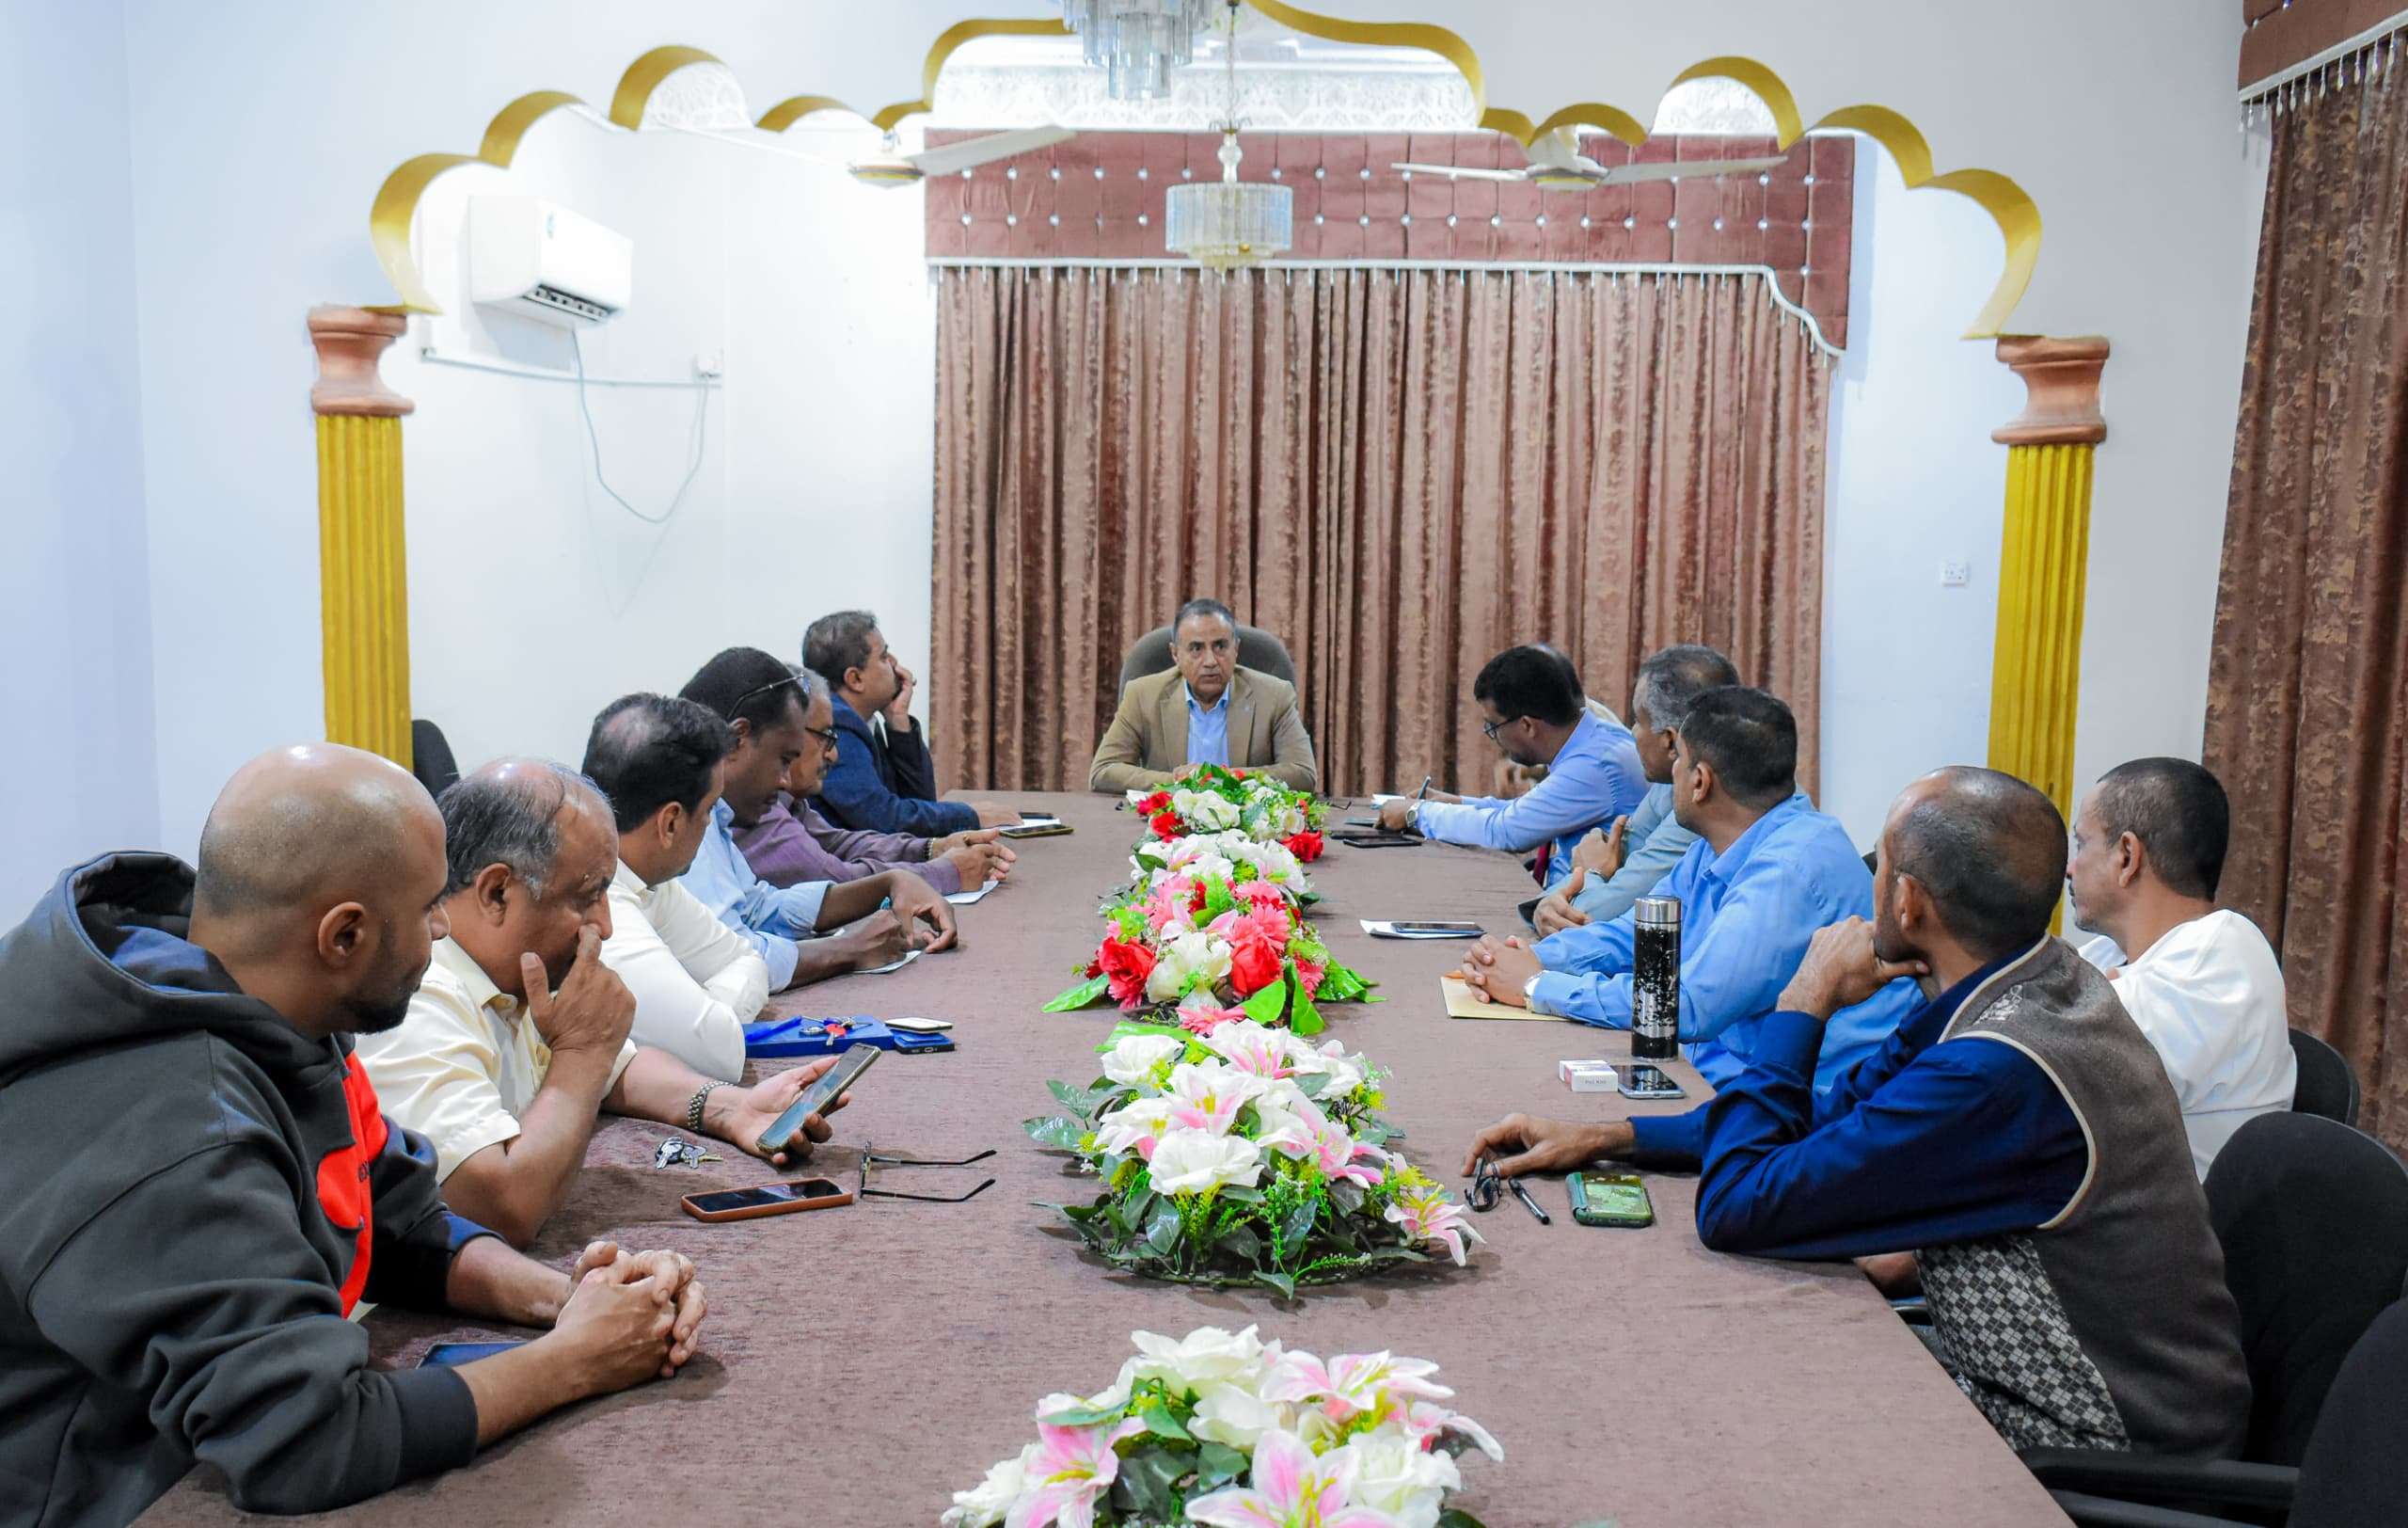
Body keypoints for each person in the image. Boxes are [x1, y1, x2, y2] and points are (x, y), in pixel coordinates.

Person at [0, 744, 708, 1521]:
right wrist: (575, 1359)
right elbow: (305, 1443)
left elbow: (398, 1218)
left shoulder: (278, 1014)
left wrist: (569, 1298)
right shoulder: (180, 1123)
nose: (444, 927)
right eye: (429, 906)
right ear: (344, 937)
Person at [1465, 767, 2250, 1458]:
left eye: (1883, 865)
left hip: (2090, 1435)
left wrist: (1804, 1003)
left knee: (1702, 1398)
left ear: (1907, 900)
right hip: (2053, 1380)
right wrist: (1616, 1135)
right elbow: (1839, 1116)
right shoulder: (2031, 981)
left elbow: (1738, 1208)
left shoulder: (1997, 1067)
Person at [356, 760, 858, 1247]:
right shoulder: (419, 998)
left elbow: (621, 1069)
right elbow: (501, 1209)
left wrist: (733, 1108)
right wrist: (582, 1053)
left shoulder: (516, 966)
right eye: (587, 897)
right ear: (498, 892)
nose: (606, 926)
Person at [1457, 686, 1913, 1089]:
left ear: (1699, 781)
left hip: (1809, 1103)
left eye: (1678, 759)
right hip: (1726, 1063)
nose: (1670, 773)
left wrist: (1536, 986)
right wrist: (1528, 957)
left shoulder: (1788, 870)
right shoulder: (1720, 842)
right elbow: (1635, 934)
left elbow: (1689, 1006)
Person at [673, 650, 960, 988]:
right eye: (784, 759)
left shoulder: (718, 815)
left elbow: (760, 909)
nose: (785, 781)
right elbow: (734, 961)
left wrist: (888, 882)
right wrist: (849, 950)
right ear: (738, 740)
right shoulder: (686, 824)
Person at [2067, 757, 2294, 1177]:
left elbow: (2046, 1061)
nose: (2070, 868)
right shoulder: (2110, 952)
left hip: (2169, 1215)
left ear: (2127, 856)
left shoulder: (2220, 956)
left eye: (2082, 844)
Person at [578, 695, 772, 1078]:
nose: (712, 823)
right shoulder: (598, 903)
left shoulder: (643, 876)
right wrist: (710, 1016)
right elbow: (718, 1054)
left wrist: (711, 1007)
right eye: (709, 809)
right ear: (670, 823)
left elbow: (747, 959)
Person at [731, 664, 1016, 896]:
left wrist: (933, 848)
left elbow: (839, 843)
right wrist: (946, 871)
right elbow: (834, 879)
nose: (834, 754)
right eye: (824, 737)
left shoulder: (787, 799)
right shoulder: (750, 801)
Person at [1377, 645, 1646, 889]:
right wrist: (1457, 803)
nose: (1493, 737)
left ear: (1527, 725)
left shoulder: (1594, 765)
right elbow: (1526, 811)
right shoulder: (1595, 738)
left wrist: (1416, 814)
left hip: (1575, 912)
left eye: (1493, 726)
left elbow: (1505, 831)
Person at [1529, 644, 1737, 933]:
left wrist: (1590, 873)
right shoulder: (1669, 784)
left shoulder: (1705, 802)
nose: (1632, 733)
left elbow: (1592, 917)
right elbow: (1622, 863)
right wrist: (1547, 905)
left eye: (1638, 721)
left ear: (1669, 741)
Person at [803, 611, 1019, 836]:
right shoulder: (837, 725)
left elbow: (921, 801)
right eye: (884, 657)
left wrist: (899, 722)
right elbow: (883, 818)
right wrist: (970, 815)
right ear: (855, 679)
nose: (895, 664)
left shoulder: (862, 719)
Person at [1088, 597, 1320, 793]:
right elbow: (1103, 771)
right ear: (1175, 654)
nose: (1210, 661)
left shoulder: (1275, 695)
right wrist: (1180, 782)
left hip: (1248, 827)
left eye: (1220, 646)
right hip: (1169, 825)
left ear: (1236, 649)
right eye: (1196, 648)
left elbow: (1303, 773)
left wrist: (1222, 777)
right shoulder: (1142, 694)